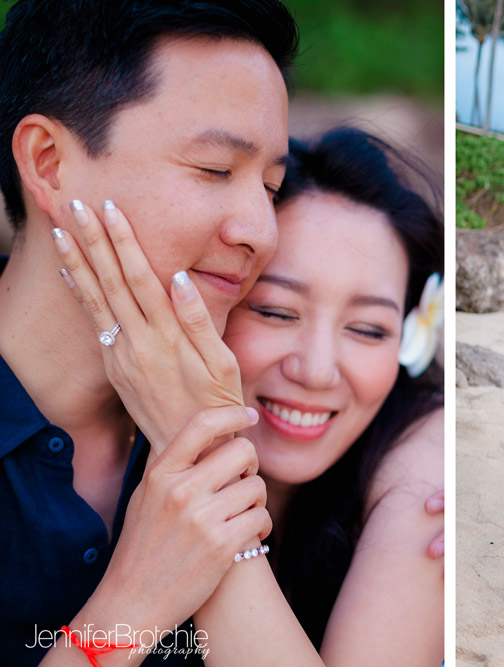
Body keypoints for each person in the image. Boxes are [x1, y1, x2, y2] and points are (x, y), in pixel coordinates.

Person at [52, 128, 445, 663]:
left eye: (369, 330)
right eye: (276, 311)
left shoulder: (422, 462)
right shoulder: (80, 465)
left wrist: (204, 459)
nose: (317, 371)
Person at [0, 1, 301, 664]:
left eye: (273, 186)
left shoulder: (251, 399)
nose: (260, 230)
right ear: (49, 163)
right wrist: (134, 602)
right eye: (215, 169)